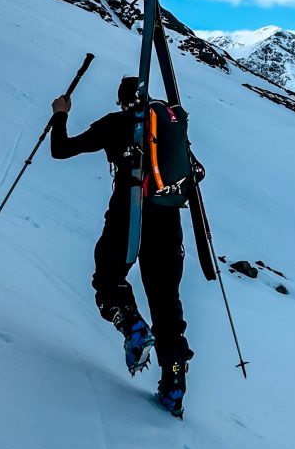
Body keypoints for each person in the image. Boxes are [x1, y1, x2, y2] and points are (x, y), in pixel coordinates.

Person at [50, 76, 192, 417]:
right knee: (167, 306)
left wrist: (60, 114)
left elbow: (61, 149)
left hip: (128, 214)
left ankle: (132, 326)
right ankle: (174, 384)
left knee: (108, 278)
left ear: (121, 101)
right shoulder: (168, 132)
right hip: (167, 220)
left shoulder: (115, 124)